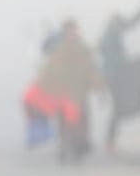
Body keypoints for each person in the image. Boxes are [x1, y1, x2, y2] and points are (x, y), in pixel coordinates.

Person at [35, 19, 101, 158]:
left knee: (82, 118)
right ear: (65, 32)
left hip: (79, 90)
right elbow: (49, 69)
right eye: (69, 31)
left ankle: (80, 144)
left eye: (74, 30)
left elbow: (91, 67)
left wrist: (96, 83)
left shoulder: (83, 48)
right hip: (63, 91)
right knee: (63, 121)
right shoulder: (58, 50)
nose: (72, 33)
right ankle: (64, 146)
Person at [98, 0, 140, 154]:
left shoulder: (110, 34)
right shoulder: (110, 36)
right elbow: (132, 23)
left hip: (116, 74)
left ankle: (110, 141)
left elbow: (131, 23)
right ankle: (110, 142)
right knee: (118, 109)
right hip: (115, 76)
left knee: (118, 110)